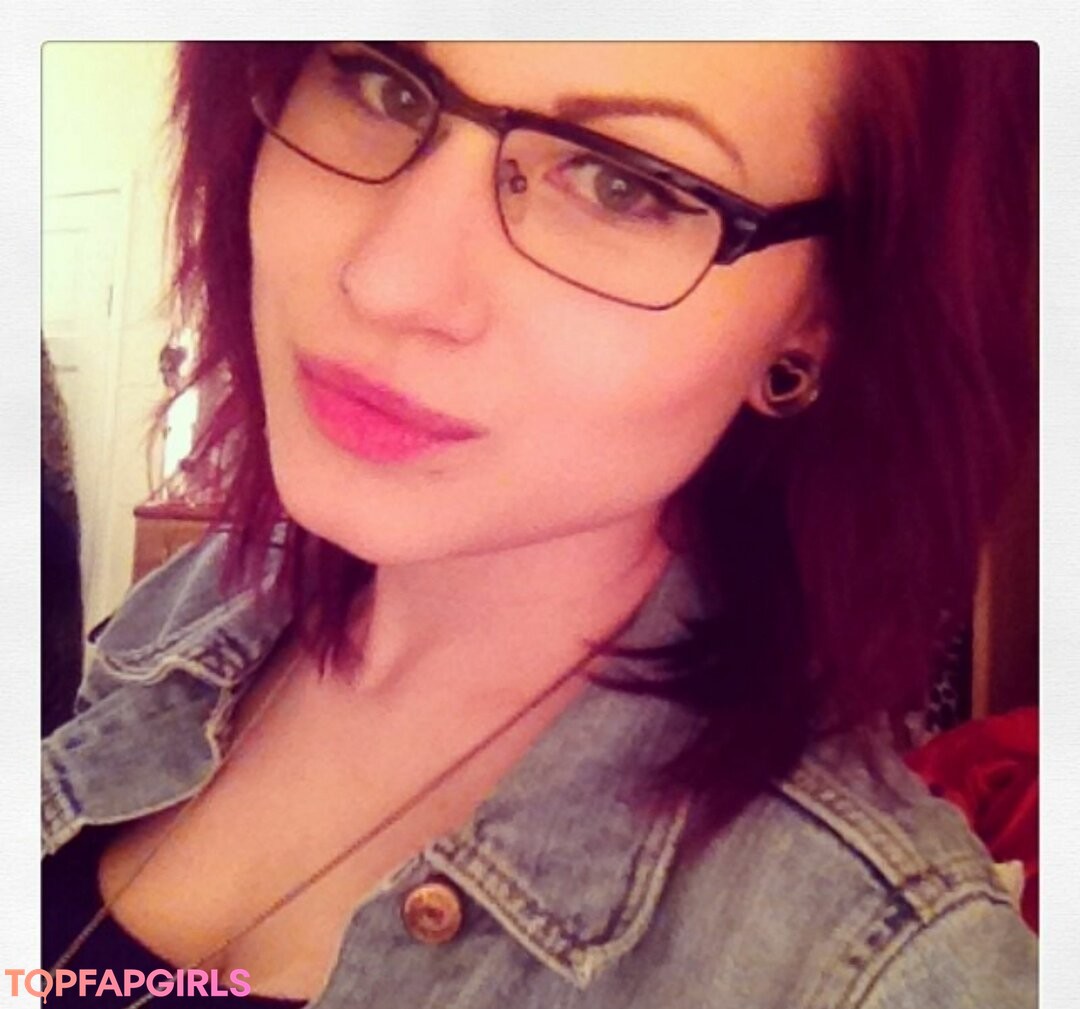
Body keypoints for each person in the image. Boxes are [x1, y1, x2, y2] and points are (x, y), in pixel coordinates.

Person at [42, 42, 1038, 1007]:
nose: (386, 281)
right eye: (383, 83)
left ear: (819, 318)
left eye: (621, 185)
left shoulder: (883, 968)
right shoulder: (189, 609)